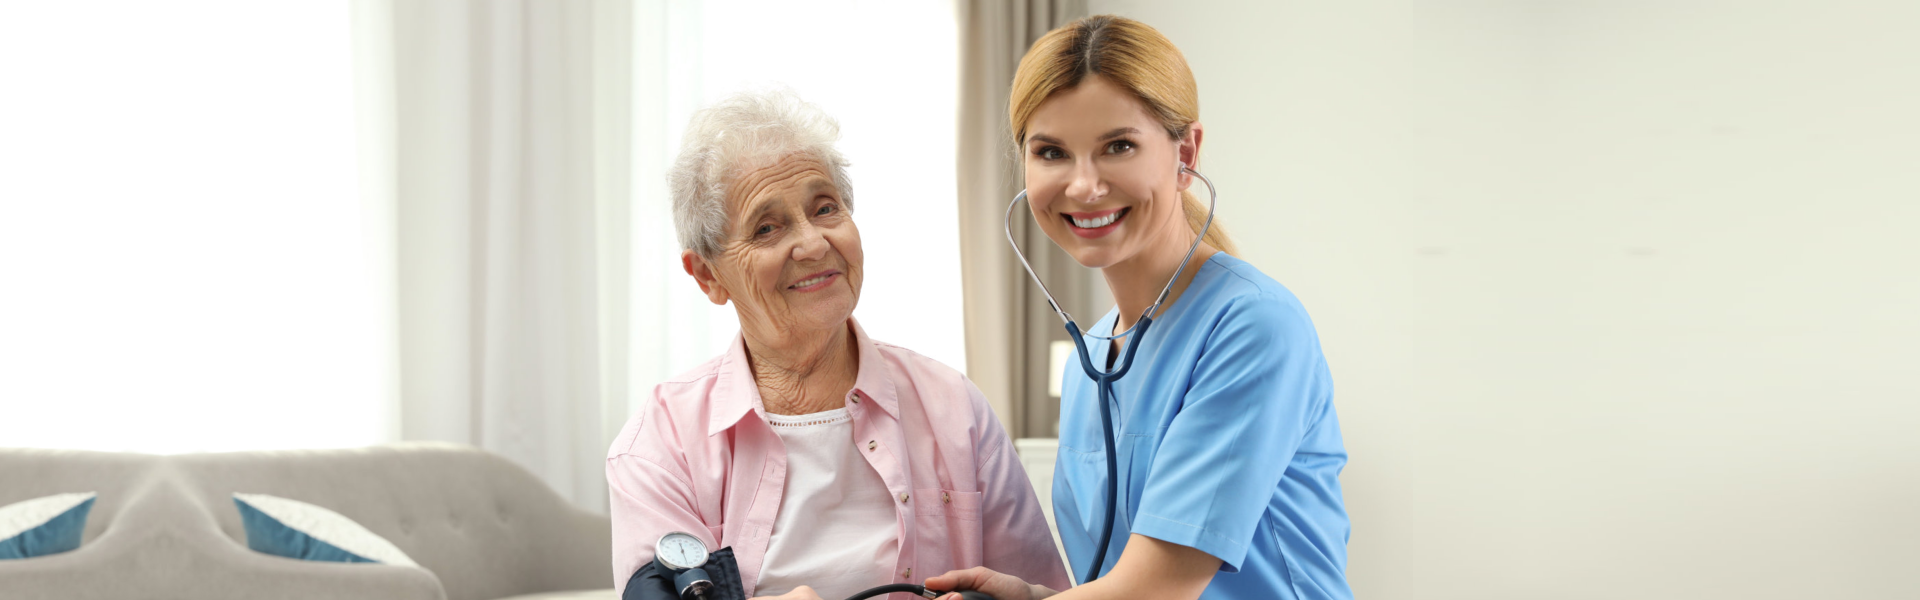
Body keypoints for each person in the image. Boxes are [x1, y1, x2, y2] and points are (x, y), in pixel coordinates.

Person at [927, 15, 1352, 600]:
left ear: (1186, 153)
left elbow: (1158, 588)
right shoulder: (1089, 363)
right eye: (1051, 152)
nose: (1083, 186)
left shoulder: (1255, 326)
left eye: (1118, 146)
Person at [606, 89, 1070, 600]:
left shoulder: (953, 407)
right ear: (708, 276)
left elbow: (1045, 592)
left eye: (825, 208)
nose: (812, 243)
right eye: (766, 227)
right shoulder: (662, 441)